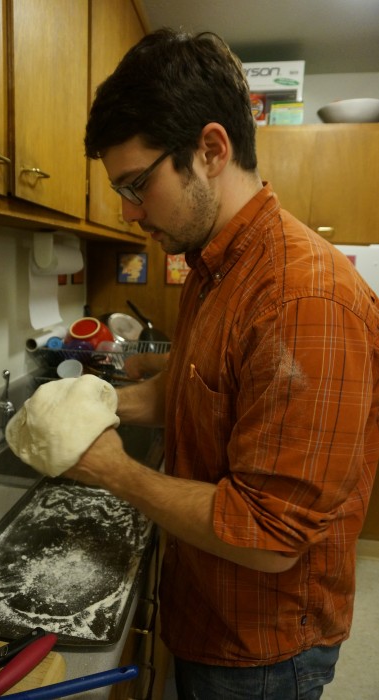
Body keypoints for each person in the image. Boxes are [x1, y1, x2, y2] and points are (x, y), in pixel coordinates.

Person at [68, 29, 379, 699]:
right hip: (203, 605)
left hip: (261, 650)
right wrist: (85, 410)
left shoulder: (304, 299)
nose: (127, 212)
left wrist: (114, 471)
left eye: (136, 184)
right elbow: (189, 396)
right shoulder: (213, 267)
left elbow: (269, 537)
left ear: (210, 150)